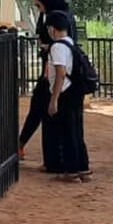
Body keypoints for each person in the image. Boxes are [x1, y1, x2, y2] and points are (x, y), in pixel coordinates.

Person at [17, 0, 71, 159]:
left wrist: (51, 47)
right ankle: (22, 144)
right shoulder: (47, 15)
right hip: (48, 69)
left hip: (52, 71)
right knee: (39, 108)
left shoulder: (61, 18)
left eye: (39, 5)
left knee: (42, 109)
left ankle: (25, 146)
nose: (38, 9)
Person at [41, 10, 91, 182]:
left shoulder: (57, 47)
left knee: (67, 132)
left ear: (52, 29)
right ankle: (83, 168)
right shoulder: (71, 43)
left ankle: (71, 171)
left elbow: (60, 73)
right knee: (77, 131)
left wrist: (53, 99)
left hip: (65, 93)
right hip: (75, 92)